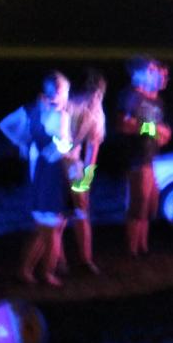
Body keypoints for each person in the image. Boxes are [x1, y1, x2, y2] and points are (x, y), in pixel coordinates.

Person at [2, 72, 75, 286]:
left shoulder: (34, 109)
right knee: (50, 229)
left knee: (46, 228)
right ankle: (46, 273)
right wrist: (66, 148)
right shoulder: (57, 115)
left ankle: (27, 270)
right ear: (58, 92)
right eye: (64, 92)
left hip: (42, 173)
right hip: (50, 174)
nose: (65, 96)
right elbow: (60, 147)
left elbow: (6, 125)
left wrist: (23, 142)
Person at [118, 57, 171, 257]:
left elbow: (159, 130)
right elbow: (123, 124)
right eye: (150, 70)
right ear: (138, 73)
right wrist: (153, 129)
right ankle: (132, 250)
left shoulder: (156, 101)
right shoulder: (131, 96)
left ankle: (143, 247)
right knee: (138, 203)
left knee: (149, 205)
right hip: (137, 157)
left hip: (153, 156)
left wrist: (164, 134)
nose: (155, 74)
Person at [64, 69, 108, 276]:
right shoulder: (68, 106)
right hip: (55, 160)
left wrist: (87, 177)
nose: (95, 97)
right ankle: (57, 261)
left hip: (74, 162)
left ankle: (85, 259)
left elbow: (93, 144)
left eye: (100, 93)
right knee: (56, 213)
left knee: (81, 207)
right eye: (92, 92)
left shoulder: (97, 112)